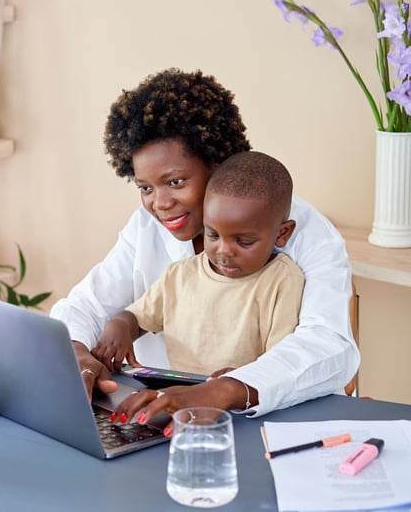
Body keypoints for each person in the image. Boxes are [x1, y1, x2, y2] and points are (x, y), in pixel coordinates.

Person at [50, 68, 358, 420]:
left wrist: (222, 390)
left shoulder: (305, 233)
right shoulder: (147, 227)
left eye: (176, 181)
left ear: (218, 162)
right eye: (145, 188)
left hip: (277, 420)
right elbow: (87, 303)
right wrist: (76, 351)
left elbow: (330, 347)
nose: (160, 203)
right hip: (167, 412)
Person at [98, 151, 305, 424]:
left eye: (243, 241)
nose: (223, 252)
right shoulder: (180, 274)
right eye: (213, 235)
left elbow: (282, 359)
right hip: (180, 409)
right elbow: (139, 316)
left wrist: (243, 377)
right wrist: (120, 326)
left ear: (282, 233)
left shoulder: (281, 281)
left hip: (243, 414)